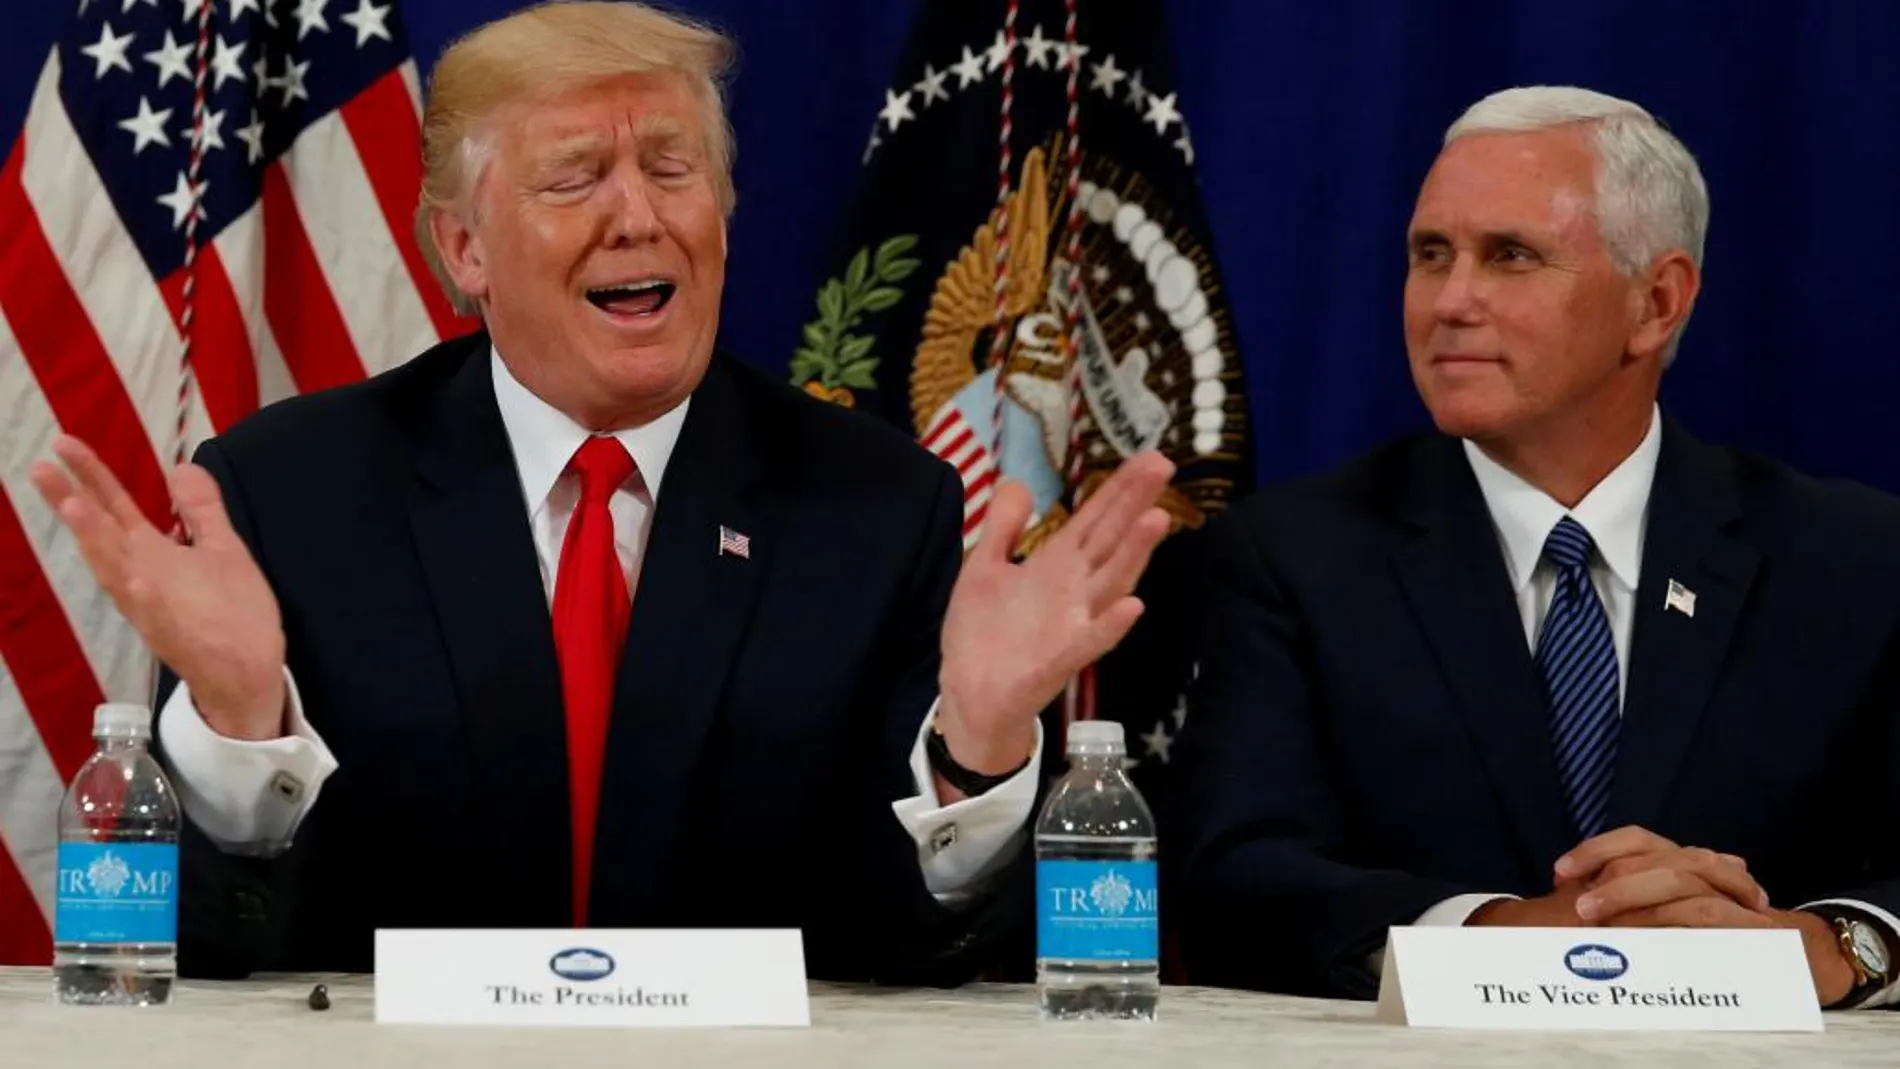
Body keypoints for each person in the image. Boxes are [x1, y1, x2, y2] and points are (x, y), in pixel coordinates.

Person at [29, 1, 1172, 982]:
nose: (640, 214)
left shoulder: (874, 507)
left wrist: (976, 747)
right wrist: (239, 728)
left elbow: (914, 957)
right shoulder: (293, 494)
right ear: (464, 248)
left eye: (674, 169)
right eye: (576, 178)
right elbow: (205, 951)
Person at [1171, 86, 1900, 1008]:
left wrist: (1831, 945)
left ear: (1658, 302)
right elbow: (1234, 879)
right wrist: (1508, 934)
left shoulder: (1855, 559)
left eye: (1510, 256)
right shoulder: (1295, 557)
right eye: (1430, 255)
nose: (1450, 300)